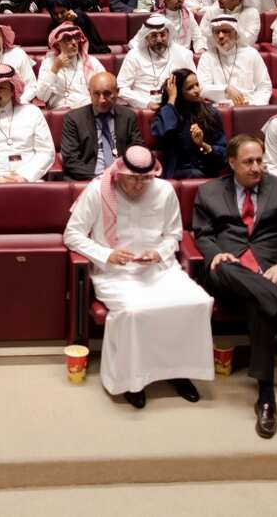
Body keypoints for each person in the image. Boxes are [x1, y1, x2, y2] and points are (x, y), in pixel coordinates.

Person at [193, 134, 277, 438]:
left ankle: (266, 396)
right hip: (228, 271)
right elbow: (202, 234)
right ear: (232, 163)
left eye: (259, 160)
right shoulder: (209, 192)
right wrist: (215, 254)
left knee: (259, 300)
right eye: (248, 162)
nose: (256, 167)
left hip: (269, 273)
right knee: (223, 267)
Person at [65, 144, 214, 406]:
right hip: (114, 273)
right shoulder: (98, 191)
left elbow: (174, 235)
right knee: (134, 311)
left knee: (198, 302)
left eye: (145, 179)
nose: (138, 185)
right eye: (133, 178)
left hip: (159, 269)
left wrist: (158, 253)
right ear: (120, 172)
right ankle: (132, 381)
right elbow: (72, 235)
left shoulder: (164, 190)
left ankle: (179, 372)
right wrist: (106, 254)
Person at [61, 71, 143, 180]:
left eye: (107, 93)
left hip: (122, 178)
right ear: (90, 93)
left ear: (117, 92)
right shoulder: (74, 119)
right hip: (88, 179)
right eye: (96, 94)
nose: (102, 100)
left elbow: (138, 150)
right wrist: (99, 178)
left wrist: (124, 174)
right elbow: (70, 159)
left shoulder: (128, 116)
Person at [152, 69, 227, 179]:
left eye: (197, 85)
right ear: (178, 92)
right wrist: (171, 99)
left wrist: (202, 145)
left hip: (207, 171)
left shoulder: (211, 113)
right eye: (190, 88)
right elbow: (162, 134)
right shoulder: (166, 112)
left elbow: (224, 153)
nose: (196, 90)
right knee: (194, 174)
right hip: (177, 173)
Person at [117, 14, 197, 109]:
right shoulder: (134, 55)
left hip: (176, 107)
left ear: (168, 34)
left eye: (163, 35)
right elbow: (121, 88)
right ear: (146, 37)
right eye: (154, 35)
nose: (159, 40)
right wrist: (146, 103)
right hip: (142, 108)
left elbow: (195, 84)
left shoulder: (183, 54)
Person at [197, 14, 272, 106]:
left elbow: (264, 86)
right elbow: (202, 88)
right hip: (219, 108)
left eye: (225, 31)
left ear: (236, 33)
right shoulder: (207, 57)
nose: (220, 36)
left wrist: (255, 105)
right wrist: (225, 89)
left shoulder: (251, 54)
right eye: (216, 32)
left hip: (249, 106)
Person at [36, 22, 107, 110]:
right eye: (68, 39)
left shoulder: (92, 62)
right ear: (57, 44)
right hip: (61, 111)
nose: (74, 42)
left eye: (76, 38)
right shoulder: (49, 63)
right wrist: (55, 68)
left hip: (88, 109)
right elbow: (41, 96)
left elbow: (105, 86)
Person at [195, 0, 260, 50]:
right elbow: (202, 35)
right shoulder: (211, 12)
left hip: (241, 52)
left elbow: (249, 40)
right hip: (214, 52)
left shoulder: (252, 13)